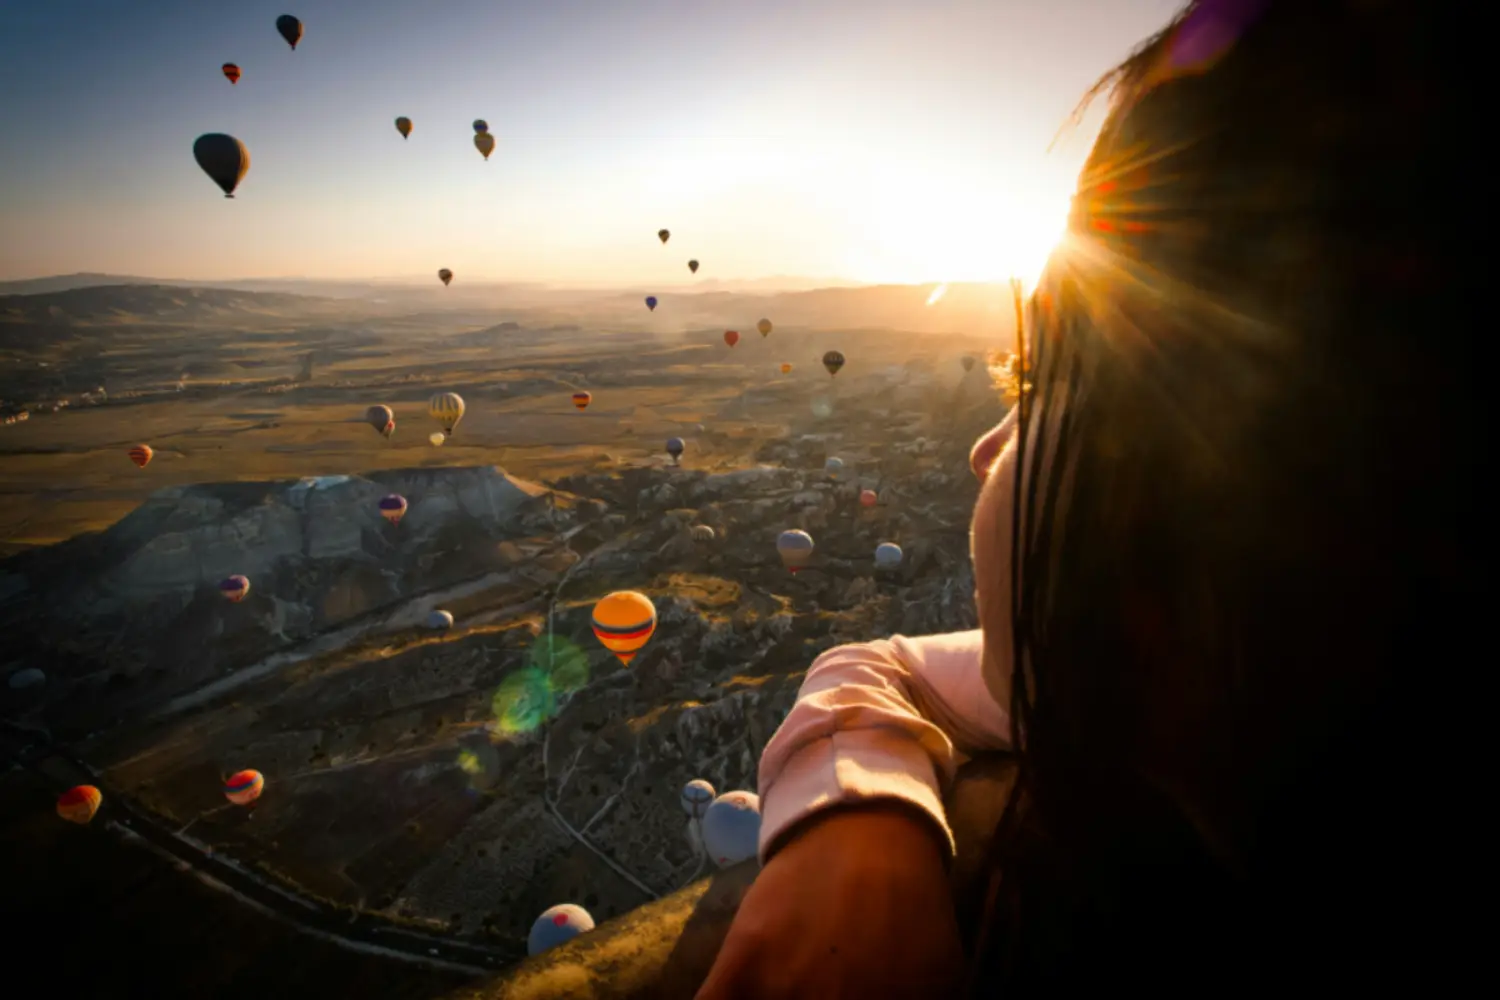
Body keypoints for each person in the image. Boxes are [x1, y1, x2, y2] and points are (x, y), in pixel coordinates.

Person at [697, 0, 1472, 996]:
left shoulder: (1178, 687)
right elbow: (882, 667)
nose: (984, 446)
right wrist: (858, 829)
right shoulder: (1178, 691)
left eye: (1047, 379)